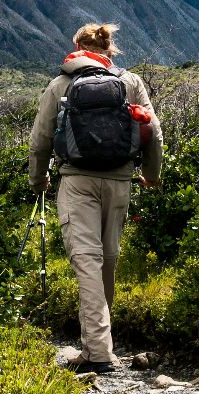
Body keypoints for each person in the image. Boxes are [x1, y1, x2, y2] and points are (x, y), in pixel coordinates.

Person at [28, 22, 163, 376]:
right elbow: (154, 132)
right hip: (120, 182)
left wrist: (39, 179)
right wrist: (151, 174)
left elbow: (40, 140)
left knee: (86, 260)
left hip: (77, 182)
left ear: (77, 47)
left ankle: (98, 351)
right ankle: (100, 343)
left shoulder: (60, 84)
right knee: (108, 259)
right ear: (109, 49)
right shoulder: (130, 82)